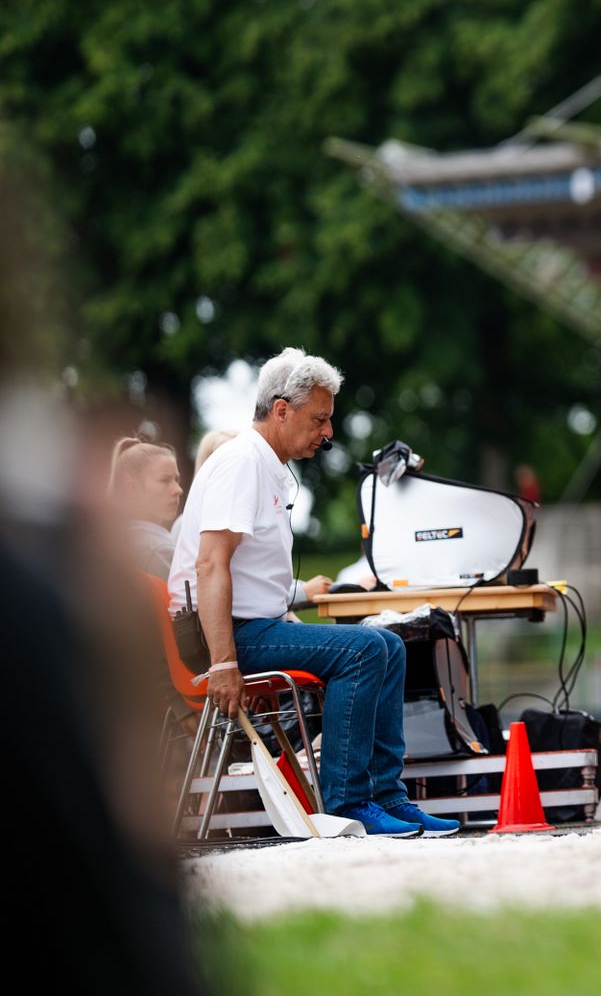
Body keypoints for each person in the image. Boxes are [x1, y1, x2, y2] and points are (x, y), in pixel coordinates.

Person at [167, 348, 458, 837]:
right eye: (319, 419)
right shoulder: (242, 463)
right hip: (223, 635)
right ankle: (348, 804)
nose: (328, 433)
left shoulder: (266, 465)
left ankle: (388, 797)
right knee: (366, 650)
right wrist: (223, 663)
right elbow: (210, 563)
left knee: (387, 642)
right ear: (281, 410)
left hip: (250, 627)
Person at [108, 437, 183, 580]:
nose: (178, 490)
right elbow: (185, 602)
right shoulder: (158, 551)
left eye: (177, 480)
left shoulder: (117, 539)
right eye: (165, 480)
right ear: (132, 488)